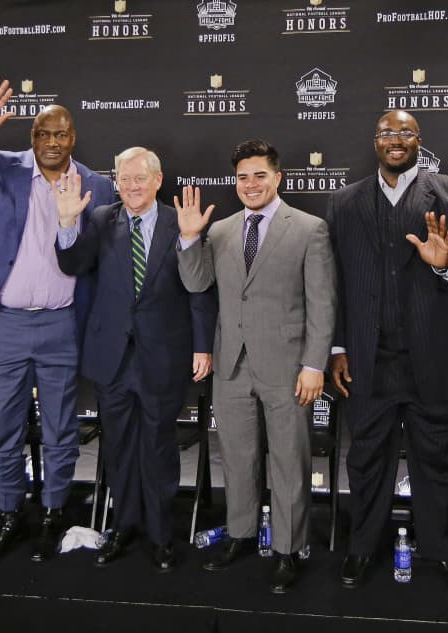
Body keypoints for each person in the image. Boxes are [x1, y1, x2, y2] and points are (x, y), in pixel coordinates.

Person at [0, 79, 117, 565]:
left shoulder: (96, 185)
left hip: (63, 326)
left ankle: (53, 513)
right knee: (3, 430)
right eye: (41, 134)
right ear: (32, 138)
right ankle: (10, 513)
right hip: (3, 325)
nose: (51, 142)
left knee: (60, 430)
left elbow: (105, 261)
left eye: (61, 134)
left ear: (74, 138)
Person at [325, 110, 448, 597]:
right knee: (366, 460)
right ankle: (362, 546)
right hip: (366, 359)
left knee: (439, 463)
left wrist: (447, 263)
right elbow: (331, 280)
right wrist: (336, 345)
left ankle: (445, 550)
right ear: (375, 142)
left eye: (405, 133)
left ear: (420, 140)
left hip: (435, 359)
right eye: (386, 134)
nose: (395, 141)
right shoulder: (345, 201)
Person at [175, 139, 335, 594]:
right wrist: (189, 239)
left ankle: (288, 549)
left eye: (259, 175)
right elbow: (197, 282)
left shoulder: (309, 228)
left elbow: (323, 304)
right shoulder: (221, 230)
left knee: (289, 461)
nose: (250, 184)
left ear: (278, 177)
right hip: (231, 365)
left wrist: (314, 364)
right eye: (242, 176)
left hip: (288, 367)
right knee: (239, 458)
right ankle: (241, 535)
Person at [55, 146, 216, 571]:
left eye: (139, 179)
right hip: (112, 358)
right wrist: (68, 221)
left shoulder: (178, 222)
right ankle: (122, 526)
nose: (131, 187)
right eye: (124, 179)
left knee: (159, 446)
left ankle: (162, 534)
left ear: (158, 181)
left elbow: (198, 291)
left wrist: (203, 346)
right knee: (120, 447)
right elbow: (71, 263)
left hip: (162, 355)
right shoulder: (100, 218)